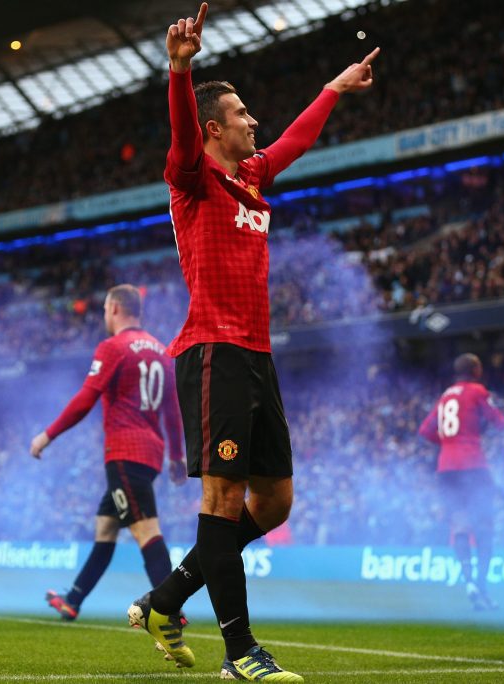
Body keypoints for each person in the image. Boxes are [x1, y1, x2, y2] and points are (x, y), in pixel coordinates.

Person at [126, 4, 378, 681]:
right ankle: (240, 654)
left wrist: (332, 88)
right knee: (222, 501)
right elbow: (181, 136)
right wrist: (180, 71)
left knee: (275, 503)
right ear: (215, 128)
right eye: (241, 114)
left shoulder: (251, 179)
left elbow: (292, 141)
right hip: (212, 352)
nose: (253, 122)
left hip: (257, 357)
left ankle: (167, 599)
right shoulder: (191, 178)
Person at [30, 284, 185, 620]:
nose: (104, 316)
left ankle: (171, 608)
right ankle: (73, 600)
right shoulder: (161, 350)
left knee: (145, 529)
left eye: (104, 310)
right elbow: (172, 410)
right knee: (105, 527)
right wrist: (176, 457)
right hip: (151, 452)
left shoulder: (114, 347)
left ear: (114, 308)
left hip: (125, 453)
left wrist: (48, 435)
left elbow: (86, 398)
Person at [419, 353, 504, 610]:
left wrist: (447, 442)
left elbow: (425, 430)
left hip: (446, 468)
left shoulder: (446, 395)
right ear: (476, 370)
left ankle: (468, 581)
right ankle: (481, 585)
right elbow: (500, 422)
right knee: (485, 525)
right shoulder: (477, 390)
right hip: (472, 464)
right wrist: (476, 435)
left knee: (459, 522)